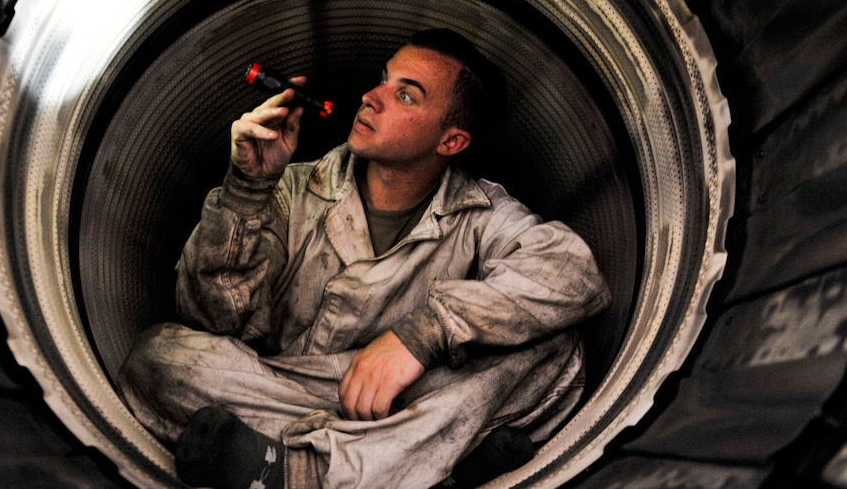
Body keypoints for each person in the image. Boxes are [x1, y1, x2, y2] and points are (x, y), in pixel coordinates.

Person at [118, 29, 611, 489]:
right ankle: (431, 467)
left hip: (407, 399)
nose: (370, 97)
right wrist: (246, 192)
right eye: (382, 80)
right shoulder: (292, 188)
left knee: (556, 354)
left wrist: (423, 335)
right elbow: (215, 320)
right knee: (158, 358)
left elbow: (571, 271)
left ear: (451, 141)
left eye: (405, 95)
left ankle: (299, 473)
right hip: (292, 390)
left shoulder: (478, 215)